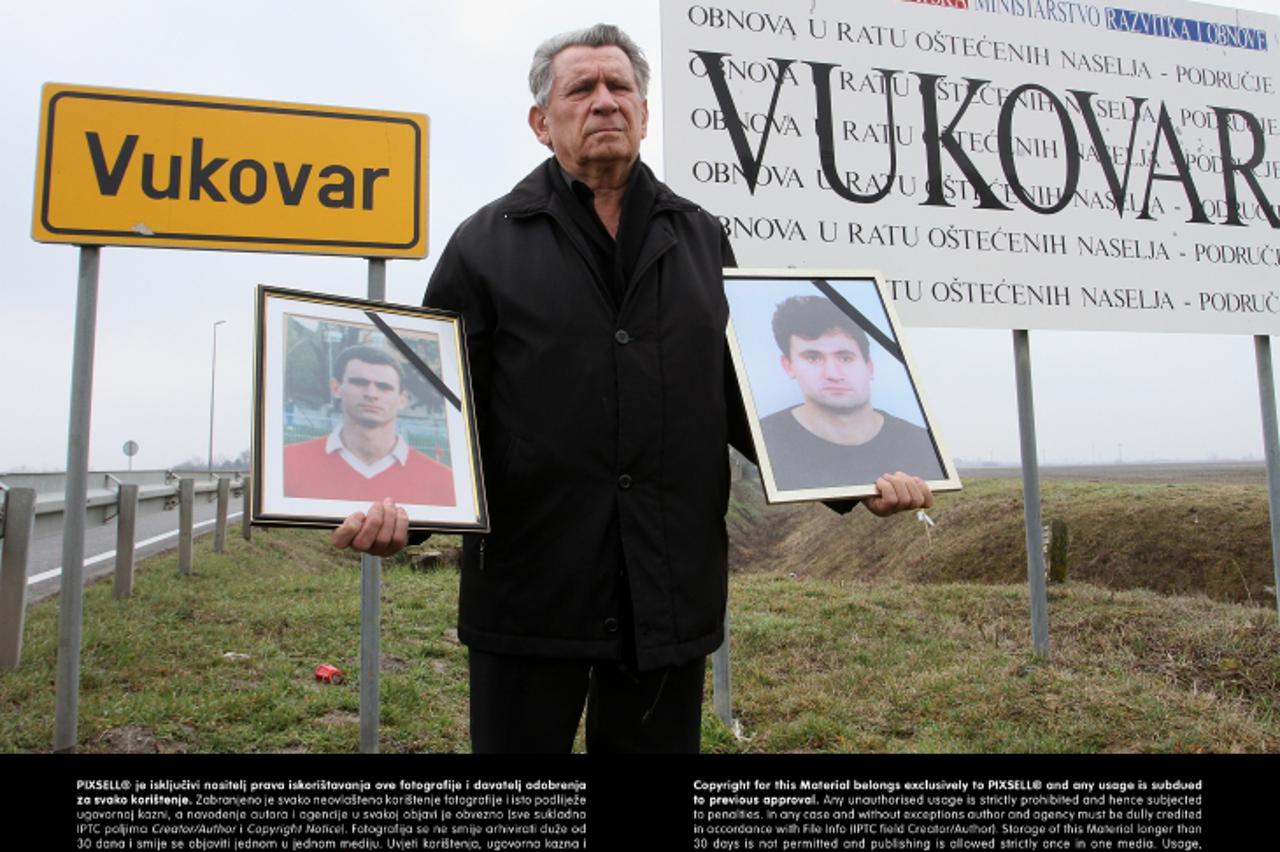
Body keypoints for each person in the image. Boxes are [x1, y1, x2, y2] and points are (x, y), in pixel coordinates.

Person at [332, 24, 933, 753]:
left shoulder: (702, 239)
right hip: (531, 590)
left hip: (666, 588)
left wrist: (850, 477)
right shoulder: (484, 245)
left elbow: (745, 398)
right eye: (581, 89)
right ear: (540, 122)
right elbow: (435, 404)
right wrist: (407, 519)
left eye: (621, 88)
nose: (605, 102)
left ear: (646, 114)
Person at [760, 296, 945, 491]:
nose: (833, 374)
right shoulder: (765, 442)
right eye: (813, 358)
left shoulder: (922, 444)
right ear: (788, 366)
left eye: (846, 358)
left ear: (869, 367)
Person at [283, 345, 456, 506]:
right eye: (359, 382)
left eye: (384, 387)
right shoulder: (286, 463)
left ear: (402, 399)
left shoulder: (444, 481)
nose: (371, 394)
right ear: (336, 388)